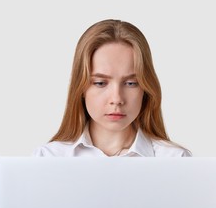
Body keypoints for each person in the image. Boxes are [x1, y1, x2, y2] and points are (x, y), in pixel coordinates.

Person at [33, 19, 191, 157]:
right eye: (100, 83)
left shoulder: (174, 160)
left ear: (146, 88)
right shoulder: (48, 158)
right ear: (81, 88)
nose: (117, 99)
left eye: (131, 83)